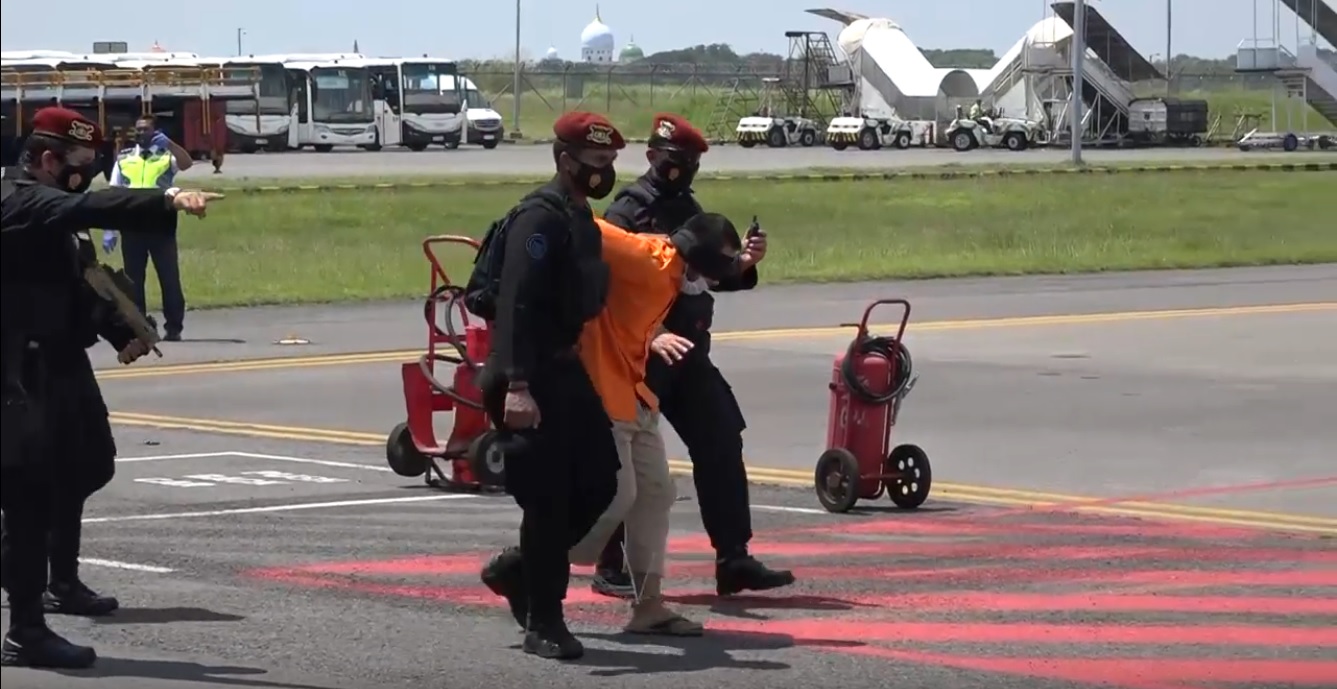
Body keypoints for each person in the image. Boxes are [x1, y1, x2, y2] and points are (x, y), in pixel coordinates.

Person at [2, 107, 221, 670]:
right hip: (21, 373)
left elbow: (78, 281)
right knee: (28, 498)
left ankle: (52, 583)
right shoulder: (22, 201)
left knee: (87, 464)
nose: (88, 175)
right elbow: (88, 205)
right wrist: (166, 200)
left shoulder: (50, 215)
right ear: (47, 160)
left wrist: (119, 326)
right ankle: (27, 624)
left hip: (60, 361)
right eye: (78, 164)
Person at [599, 113, 794, 599]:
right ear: (652, 157)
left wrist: (742, 265)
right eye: (675, 160)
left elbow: (701, 272)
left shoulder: (688, 207)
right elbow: (614, 288)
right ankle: (611, 561)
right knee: (628, 463)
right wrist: (654, 334)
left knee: (722, 439)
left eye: (691, 162)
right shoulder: (627, 212)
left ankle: (733, 557)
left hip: (689, 356)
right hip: (644, 357)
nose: (682, 169)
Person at [471, 112, 625, 661]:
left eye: (609, 164)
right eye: (596, 163)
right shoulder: (541, 219)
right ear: (565, 161)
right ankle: (545, 620)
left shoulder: (578, 216)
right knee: (550, 501)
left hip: (563, 369)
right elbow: (515, 302)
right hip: (527, 374)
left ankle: (520, 570)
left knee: (603, 481)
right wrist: (516, 384)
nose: (605, 173)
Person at [564, 212, 755, 637]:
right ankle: (536, 562)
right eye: (716, 268)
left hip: (639, 394)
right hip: (604, 389)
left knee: (654, 495)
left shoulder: (677, 280)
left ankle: (648, 605)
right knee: (618, 493)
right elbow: (584, 223)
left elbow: (634, 310)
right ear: (696, 260)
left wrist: (652, 336)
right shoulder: (644, 258)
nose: (715, 281)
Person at [102, 114, 195, 341]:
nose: (141, 133)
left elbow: (186, 163)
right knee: (133, 280)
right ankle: (139, 325)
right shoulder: (124, 158)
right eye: (138, 129)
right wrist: (110, 229)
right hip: (132, 226)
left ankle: (174, 327)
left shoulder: (165, 156)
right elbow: (114, 192)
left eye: (146, 129)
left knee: (169, 278)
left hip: (161, 225)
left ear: (155, 132)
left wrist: (171, 144)